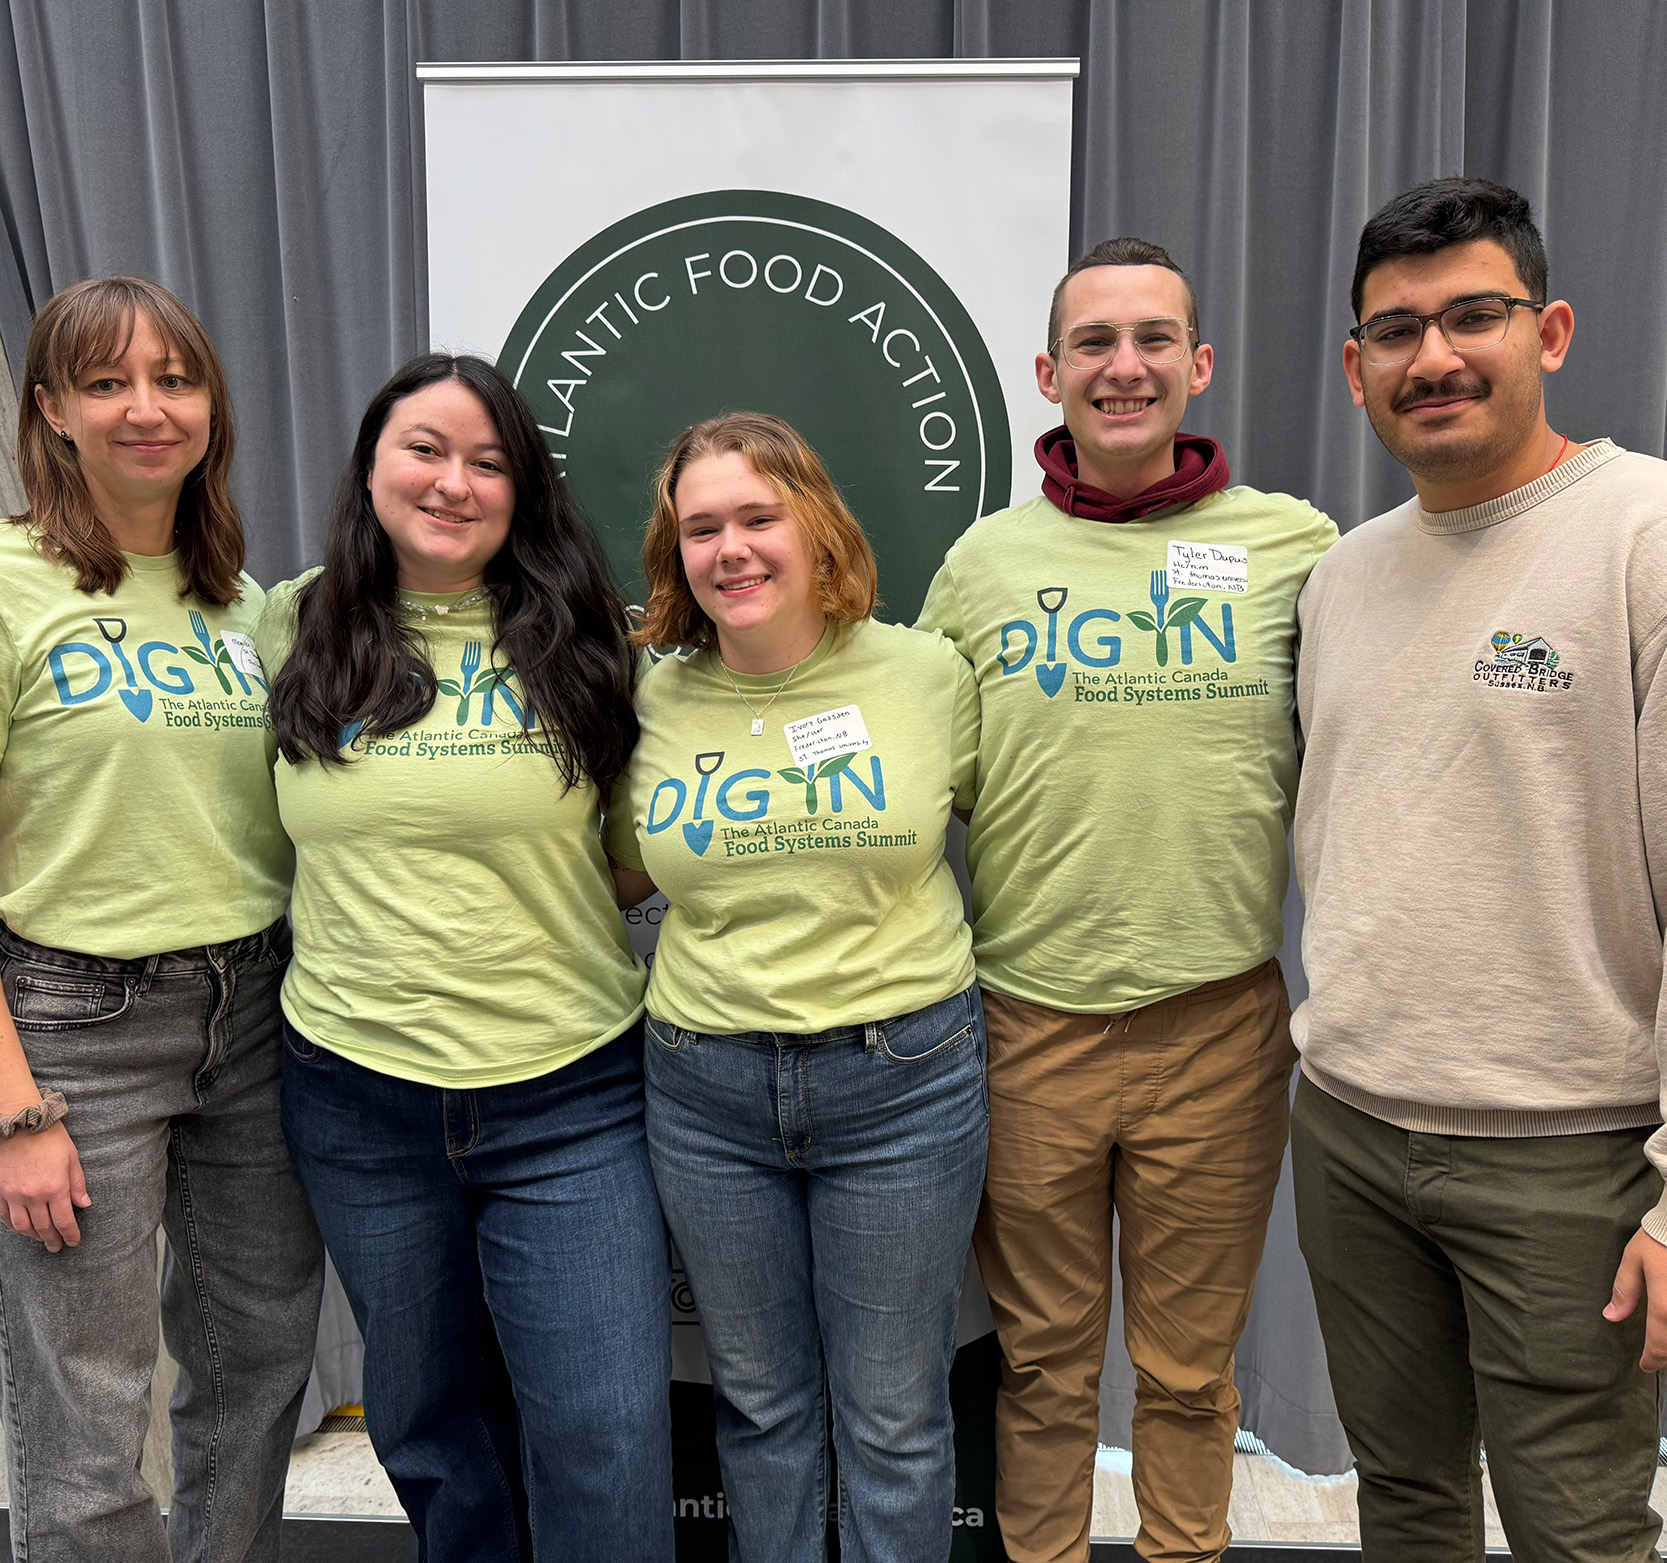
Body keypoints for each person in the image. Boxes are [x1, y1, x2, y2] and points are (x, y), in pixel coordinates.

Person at [916, 238, 1337, 1563]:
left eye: (1153, 337)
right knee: (1040, 1370)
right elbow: (922, 786)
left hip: (1215, 1030)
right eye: (1092, 342)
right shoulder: (977, 566)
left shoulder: (1292, 549)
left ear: (1196, 366)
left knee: (1186, 1372)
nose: (1123, 364)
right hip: (1026, 1028)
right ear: (1047, 375)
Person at [1290, 175, 1667, 1560]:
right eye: (1394, 331)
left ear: (1549, 331)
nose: (1431, 357)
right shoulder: (1344, 574)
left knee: (1574, 1528)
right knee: (1404, 1505)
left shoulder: (1640, 536)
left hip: (1565, 1156)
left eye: (1471, 316)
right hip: (1348, 1132)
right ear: (1352, 368)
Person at [258, 353, 672, 1562]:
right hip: (354, 1098)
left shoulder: (592, 639)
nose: (453, 482)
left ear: (524, 490)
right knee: (434, 1427)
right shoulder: (288, 621)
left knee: (602, 1428)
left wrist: (519, 912)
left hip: (570, 1094)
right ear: (371, 468)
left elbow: (652, 846)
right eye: (424, 450)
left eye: (489, 461)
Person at [605, 411, 985, 1563]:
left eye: (757, 518)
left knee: (893, 1419)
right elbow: (613, 874)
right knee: (760, 1409)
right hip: (703, 1090)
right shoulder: (648, 694)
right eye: (701, 528)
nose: (731, 550)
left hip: (903, 1087)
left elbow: (1027, 836)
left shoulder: (926, 675)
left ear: (815, 525)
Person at [0, 275, 323, 1562]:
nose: (148, 408)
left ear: (211, 408)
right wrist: (18, 1108)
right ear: (51, 412)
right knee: (89, 1402)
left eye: (175, 379)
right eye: (107, 382)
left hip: (254, 1014)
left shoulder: (244, 605)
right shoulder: (14, 583)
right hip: (77, 1027)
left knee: (257, 1366)